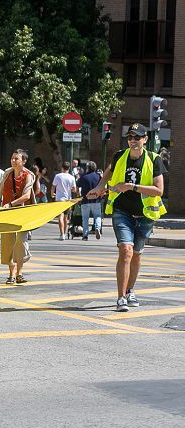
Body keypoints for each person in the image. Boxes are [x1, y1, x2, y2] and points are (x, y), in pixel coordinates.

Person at [86, 123, 167, 312]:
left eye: (137, 137)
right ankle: (121, 297)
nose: (133, 140)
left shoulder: (154, 160)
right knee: (126, 250)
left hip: (145, 215)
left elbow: (159, 190)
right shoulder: (119, 156)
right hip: (122, 211)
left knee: (137, 254)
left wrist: (131, 186)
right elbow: (109, 170)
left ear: (145, 140)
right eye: (130, 137)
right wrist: (99, 187)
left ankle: (130, 290)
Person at [0, 149, 36, 285]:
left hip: (22, 213)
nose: (13, 161)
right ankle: (11, 275)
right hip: (7, 213)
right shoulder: (7, 173)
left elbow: (27, 196)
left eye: (16, 159)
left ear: (23, 161)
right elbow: (0, 187)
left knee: (20, 242)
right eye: (12, 158)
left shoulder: (28, 176)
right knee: (8, 243)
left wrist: (11, 203)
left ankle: (19, 273)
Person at [51, 161, 78, 240]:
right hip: (68, 199)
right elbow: (74, 190)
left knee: (60, 216)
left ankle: (61, 233)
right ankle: (65, 233)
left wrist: (52, 194)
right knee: (66, 217)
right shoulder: (72, 177)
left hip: (59, 199)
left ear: (62, 168)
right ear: (69, 168)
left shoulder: (58, 176)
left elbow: (53, 187)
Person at [76, 161, 103, 240]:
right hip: (96, 200)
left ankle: (85, 235)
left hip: (85, 200)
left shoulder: (83, 177)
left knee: (85, 218)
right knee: (97, 216)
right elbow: (103, 187)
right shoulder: (98, 177)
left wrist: (78, 195)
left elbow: (77, 187)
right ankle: (97, 227)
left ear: (87, 168)